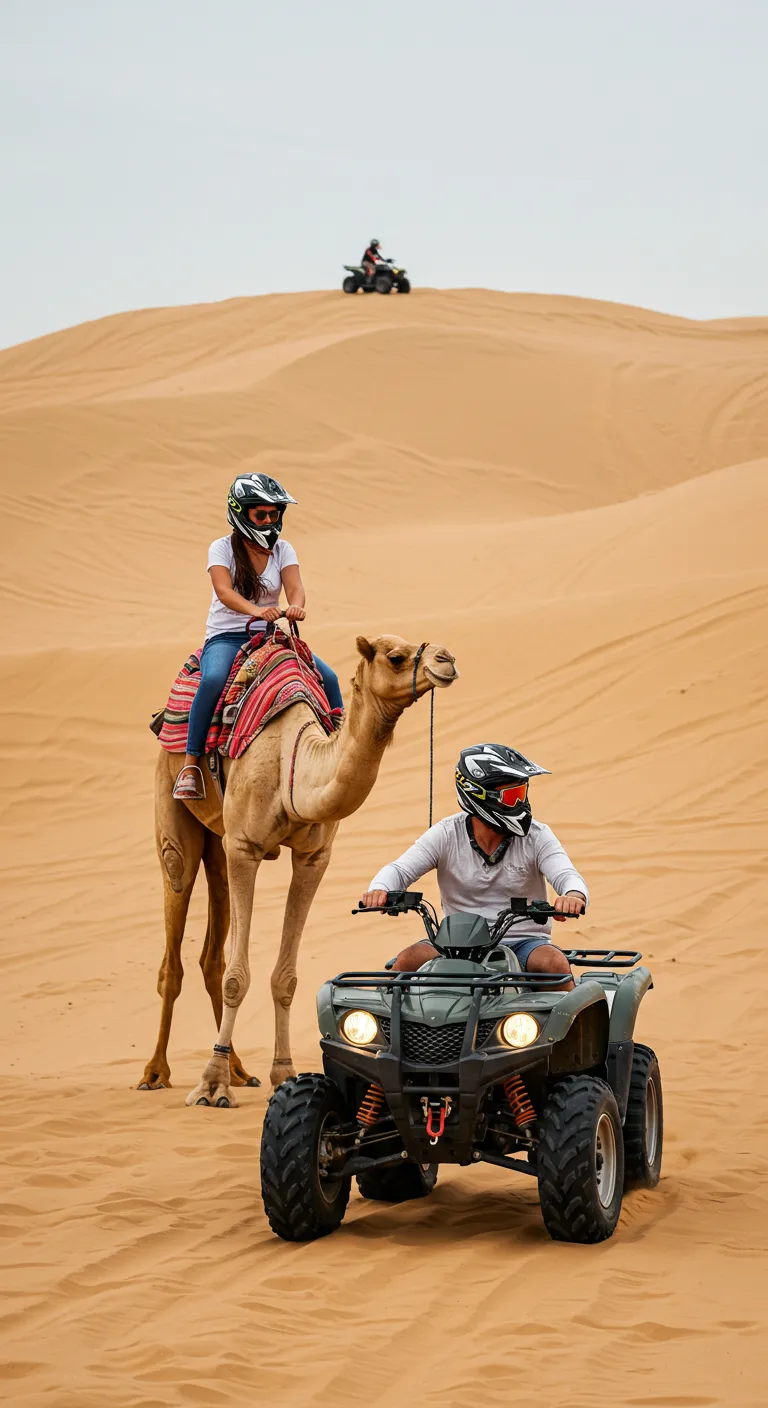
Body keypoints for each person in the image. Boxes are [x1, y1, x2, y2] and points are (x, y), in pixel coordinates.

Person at [359, 743, 588, 987]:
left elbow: (566, 875)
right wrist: (380, 889)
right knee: (406, 961)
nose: (521, 804)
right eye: (512, 796)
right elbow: (400, 869)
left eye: (522, 793)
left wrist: (572, 895)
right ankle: (391, 1026)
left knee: (554, 964)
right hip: (455, 944)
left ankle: (574, 1025)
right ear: (478, 795)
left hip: (523, 942)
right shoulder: (446, 834)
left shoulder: (537, 836)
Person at [172, 473, 343, 801]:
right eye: (260, 515)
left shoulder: (283, 549)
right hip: (226, 637)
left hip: (268, 636)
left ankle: (337, 751)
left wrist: (295, 606)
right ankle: (190, 765)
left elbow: (295, 587)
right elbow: (223, 591)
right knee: (213, 680)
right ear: (241, 513)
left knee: (329, 678)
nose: (268, 521)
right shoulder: (220, 548)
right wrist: (256, 610)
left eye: (273, 514)